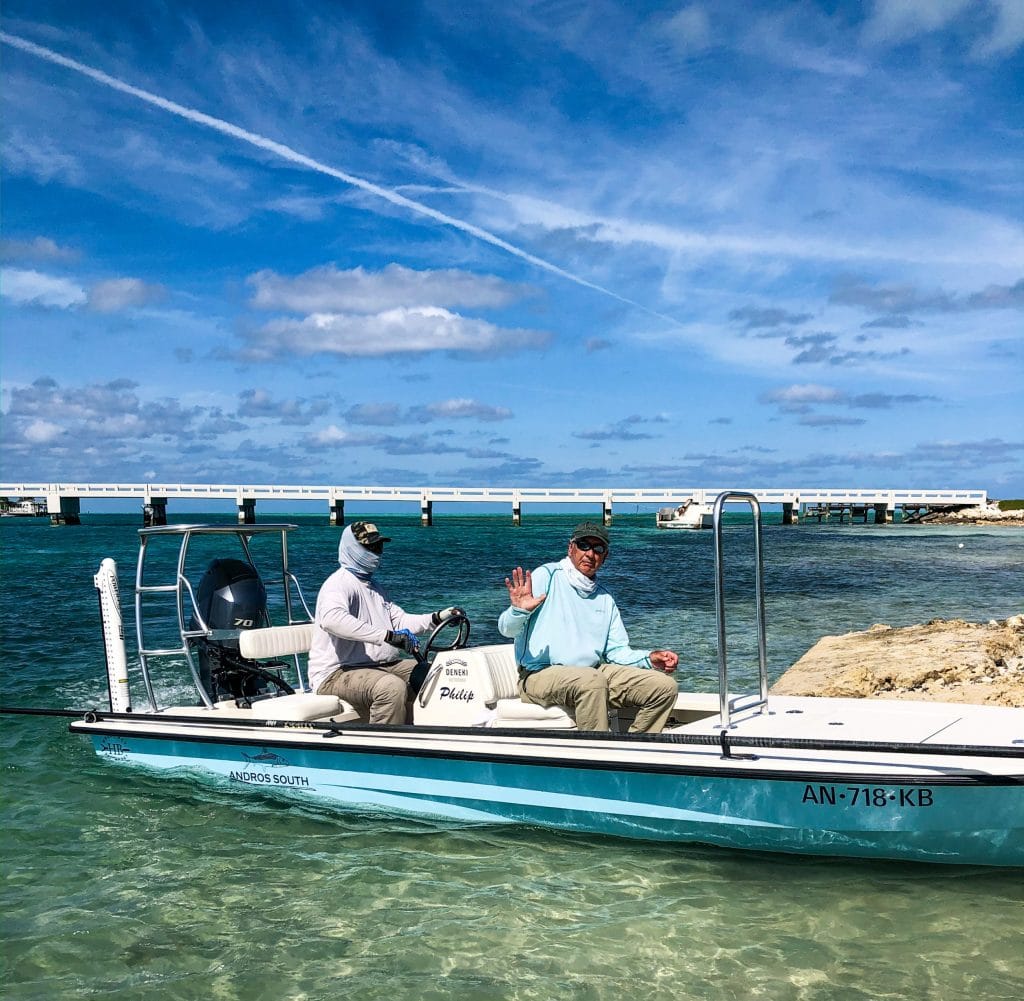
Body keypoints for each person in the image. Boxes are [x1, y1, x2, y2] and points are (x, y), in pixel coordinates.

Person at [498, 521, 679, 733]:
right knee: (591, 681)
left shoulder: (604, 597)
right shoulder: (546, 575)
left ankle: (633, 749)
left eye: (598, 548)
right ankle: (598, 756)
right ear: (570, 548)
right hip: (538, 675)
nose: (590, 553)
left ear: (605, 556)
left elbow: (616, 652)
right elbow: (506, 630)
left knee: (664, 687)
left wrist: (650, 658)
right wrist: (519, 611)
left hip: (591, 672)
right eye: (584, 545)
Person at [308, 521, 463, 724]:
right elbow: (332, 620)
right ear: (351, 548)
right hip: (336, 673)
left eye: (378, 547)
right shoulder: (338, 584)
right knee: (391, 688)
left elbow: (400, 621)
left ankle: (434, 735)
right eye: (370, 547)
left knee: (440, 673)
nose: (376, 552)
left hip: (378, 666)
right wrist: (387, 637)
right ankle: (385, 746)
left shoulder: (374, 586)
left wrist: (439, 616)